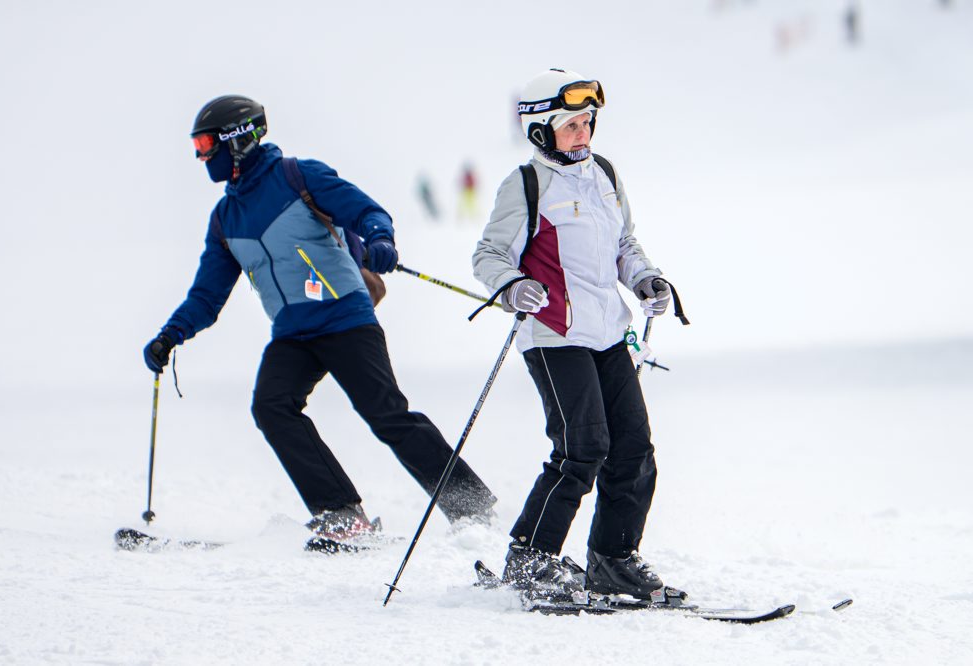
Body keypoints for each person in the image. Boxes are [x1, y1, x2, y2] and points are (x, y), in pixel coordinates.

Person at [144, 95, 496, 544]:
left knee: (386, 413)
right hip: (293, 332)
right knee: (272, 407)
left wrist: (380, 240)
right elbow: (208, 296)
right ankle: (341, 513)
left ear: (239, 140)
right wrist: (170, 335)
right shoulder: (225, 217)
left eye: (206, 142)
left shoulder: (298, 176)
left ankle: (471, 507)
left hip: (345, 317)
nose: (201, 155)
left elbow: (368, 212)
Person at [472, 70, 683, 601]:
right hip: (554, 334)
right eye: (571, 125)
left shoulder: (604, 174)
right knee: (582, 448)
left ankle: (613, 559)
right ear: (541, 131)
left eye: (588, 122)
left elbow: (624, 245)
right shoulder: (525, 185)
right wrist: (512, 284)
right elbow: (489, 255)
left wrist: (646, 279)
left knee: (633, 448)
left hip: (608, 331)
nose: (584, 133)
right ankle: (530, 560)